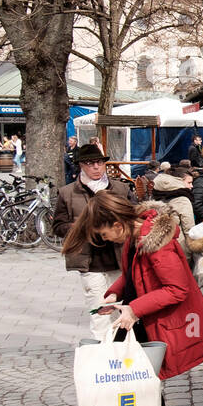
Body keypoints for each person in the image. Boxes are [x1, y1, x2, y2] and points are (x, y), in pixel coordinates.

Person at [63, 193, 203, 406]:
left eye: (104, 233)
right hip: (142, 318)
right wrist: (117, 291)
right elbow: (135, 272)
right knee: (130, 379)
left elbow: (177, 288)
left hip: (155, 322)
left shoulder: (155, 243)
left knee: (148, 385)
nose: (106, 239)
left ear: (117, 223)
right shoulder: (136, 237)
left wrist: (134, 308)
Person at [52, 143, 132, 348]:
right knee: (98, 312)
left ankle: (122, 351)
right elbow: (58, 226)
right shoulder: (68, 192)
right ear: (80, 166)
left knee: (121, 309)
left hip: (118, 258)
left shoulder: (120, 188)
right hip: (89, 261)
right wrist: (83, 227)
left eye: (99, 163)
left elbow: (133, 216)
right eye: (90, 163)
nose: (96, 167)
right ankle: (101, 354)